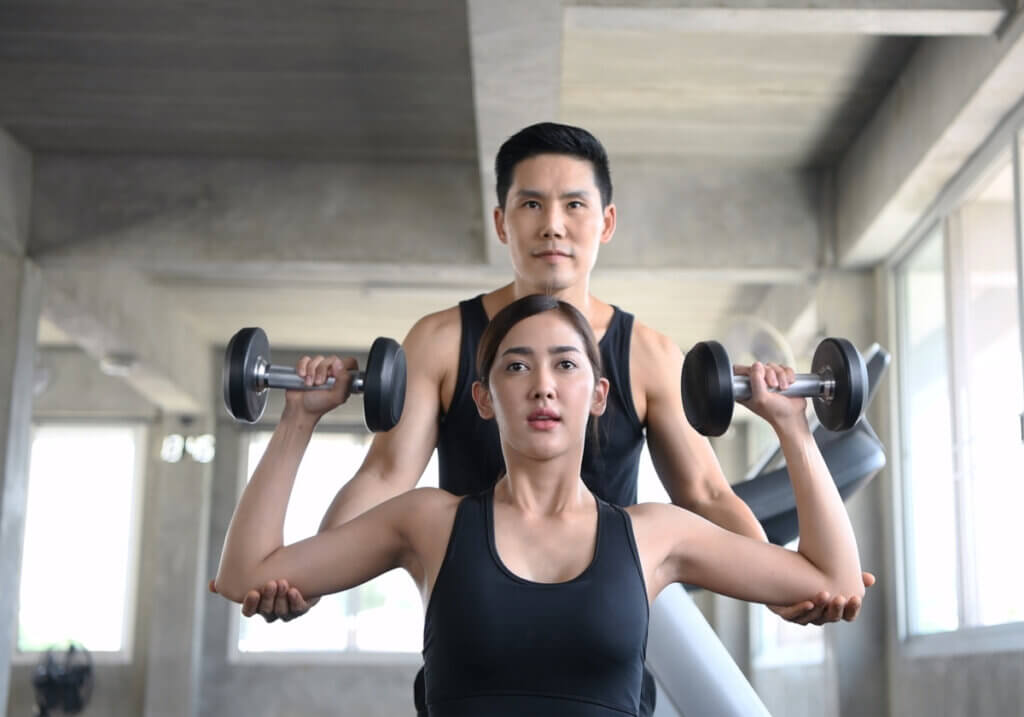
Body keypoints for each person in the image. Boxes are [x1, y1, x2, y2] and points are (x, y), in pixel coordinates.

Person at [212, 122, 874, 714]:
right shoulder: (442, 351)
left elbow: (705, 493)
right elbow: (384, 475)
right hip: (474, 592)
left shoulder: (649, 361)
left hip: (614, 588)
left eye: (573, 205)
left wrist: (776, 580)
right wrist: (311, 573)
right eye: (530, 204)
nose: (552, 225)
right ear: (502, 221)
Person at [214, 294, 866, 717]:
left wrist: (794, 427)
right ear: (483, 396)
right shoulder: (428, 522)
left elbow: (831, 579)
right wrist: (297, 418)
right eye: (517, 367)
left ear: (600, 392)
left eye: (566, 364)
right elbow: (246, 573)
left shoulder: (656, 535)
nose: (544, 385)